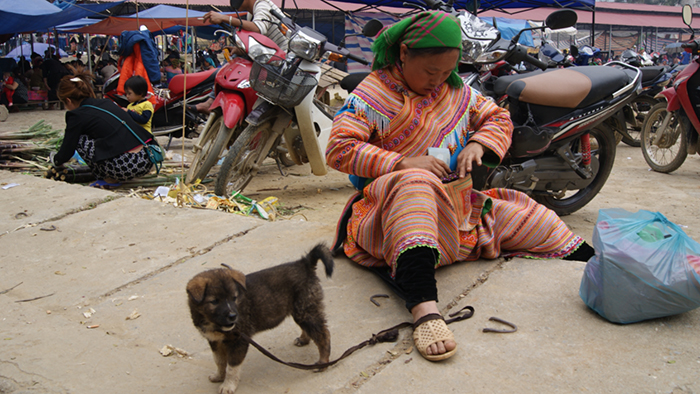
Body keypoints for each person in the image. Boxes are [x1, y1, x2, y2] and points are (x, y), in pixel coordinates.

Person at [326, 11, 595, 362]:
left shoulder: (455, 91)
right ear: (404, 53)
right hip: (390, 214)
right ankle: (425, 310)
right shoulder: (372, 94)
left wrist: (478, 143)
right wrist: (401, 163)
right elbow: (339, 149)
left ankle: (598, 263)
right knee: (416, 183)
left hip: (457, 211)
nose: (438, 81)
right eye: (430, 72)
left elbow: (497, 116)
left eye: (445, 72)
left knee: (529, 215)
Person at [49, 66, 156, 189]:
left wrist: (56, 160)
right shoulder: (105, 102)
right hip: (147, 159)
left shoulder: (76, 115)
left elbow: (67, 150)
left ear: (68, 100)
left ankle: (108, 178)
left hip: (128, 166)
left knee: (80, 139)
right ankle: (110, 174)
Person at [194, 0, 289, 113]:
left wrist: (226, 18)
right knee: (233, 60)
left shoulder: (262, 4)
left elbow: (258, 28)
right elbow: (257, 40)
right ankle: (213, 100)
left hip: (279, 61)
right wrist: (239, 50)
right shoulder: (251, 13)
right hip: (267, 56)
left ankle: (212, 101)